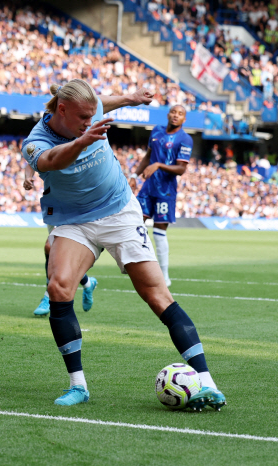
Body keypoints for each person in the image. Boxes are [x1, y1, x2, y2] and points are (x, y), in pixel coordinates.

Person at [21, 79, 225, 411]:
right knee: (58, 288)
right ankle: (78, 386)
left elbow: (103, 101)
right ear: (62, 109)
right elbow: (52, 161)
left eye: (92, 116)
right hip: (75, 222)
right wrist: (84, 140)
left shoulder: (92, 110)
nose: (90, 122)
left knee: (157, 296)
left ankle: (208, 383)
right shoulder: (35, 142)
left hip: (119, 212)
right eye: (83, 117)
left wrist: (131, 98)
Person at [23, 164, 97, 316]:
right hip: (52, 201)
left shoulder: (78, 145)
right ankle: (88, 283)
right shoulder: (48, 142)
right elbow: (31, 162)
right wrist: (27, 177)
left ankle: (48, 297)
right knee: (58, 255)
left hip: (74, 202)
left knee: (51, 247)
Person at [133, 105, 191, 287]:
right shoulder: (156, 131)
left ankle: (164, 275)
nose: (176, 115)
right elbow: (148, 156)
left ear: (184, 120)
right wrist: (134, 176)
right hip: (148, 187)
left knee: (159, 233)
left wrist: (158, 165)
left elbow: (181, 169)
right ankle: (138, 263)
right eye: (173, 112)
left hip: (166, 190)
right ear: (168, 114)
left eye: (180, 114)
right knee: (134, 223)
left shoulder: (185, 139)